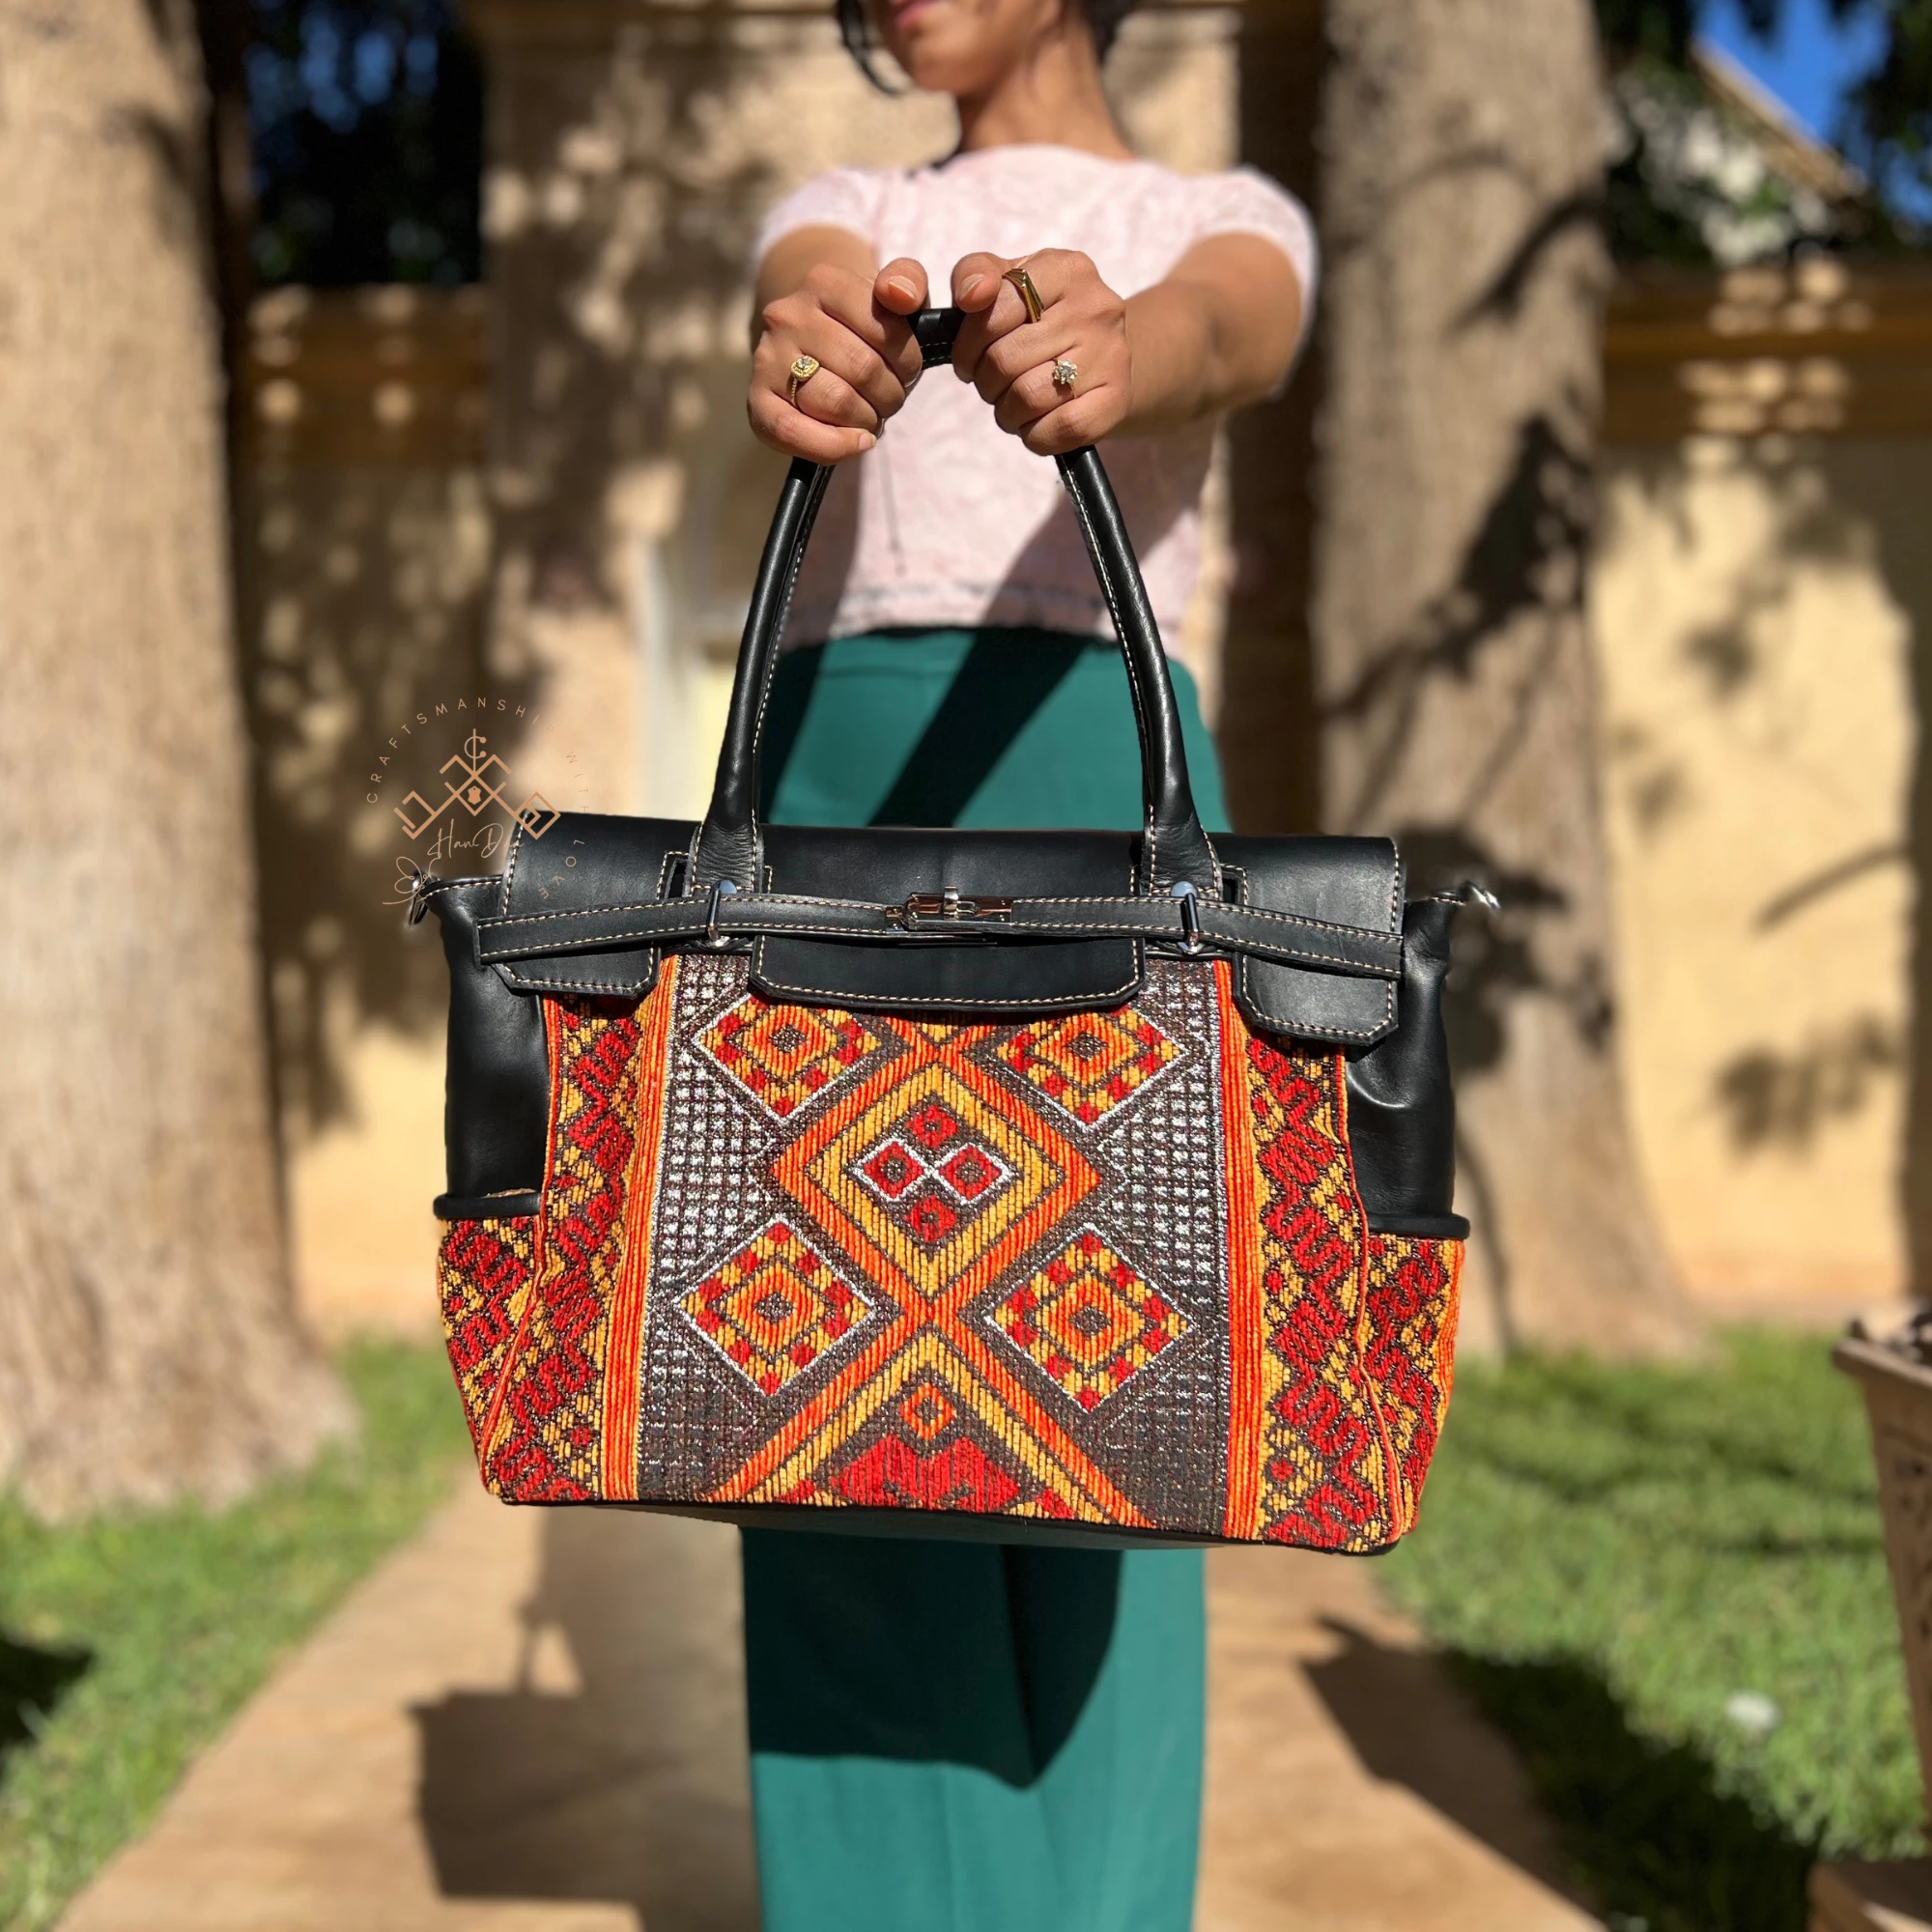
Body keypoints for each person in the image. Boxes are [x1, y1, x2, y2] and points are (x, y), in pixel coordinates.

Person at [738, 0, 1315, 1919]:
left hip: (1099, 791)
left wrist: (1125, 348)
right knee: (814, 1374)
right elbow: (805, 288)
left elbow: (1229, 326)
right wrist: (814, 342)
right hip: (836, 796)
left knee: (1122, 1376)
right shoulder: (849, 200)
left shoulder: (1223, 216)